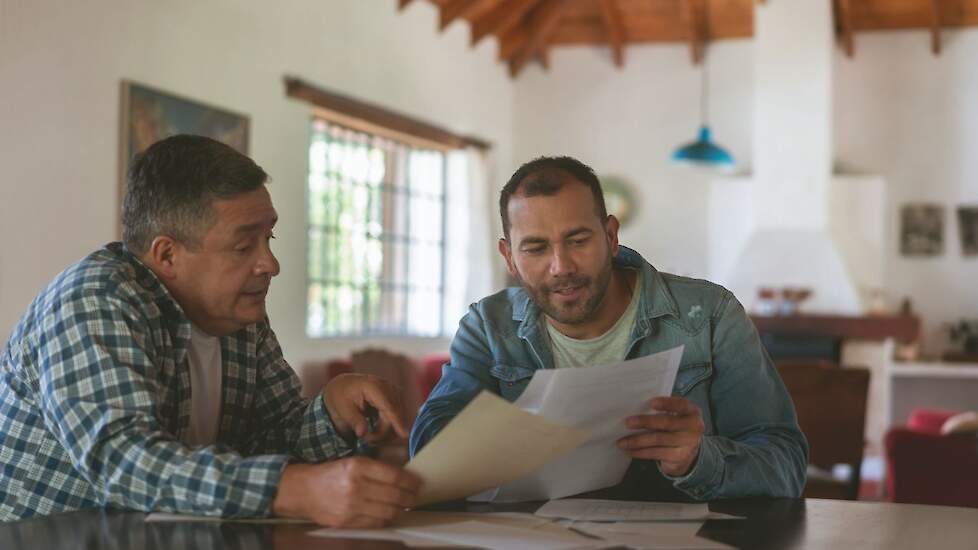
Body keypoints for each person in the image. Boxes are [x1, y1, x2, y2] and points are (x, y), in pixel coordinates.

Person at [0, 135, 420, 525]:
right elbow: (125, 463)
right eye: (244, 246)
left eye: (268, 237)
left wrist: (331, 412)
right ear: (167, 255)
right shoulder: (93, 300)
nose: (270, 264)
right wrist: (291, 490)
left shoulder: (235, 316)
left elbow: (269, 441)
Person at [410, 156, 808, 501]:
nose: (561, 266)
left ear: (611, 236)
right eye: (535, 248)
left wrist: (697, 459)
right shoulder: (487, 327)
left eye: (578, 240)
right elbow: (427, 457)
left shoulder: (709, 315)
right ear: (509, 257)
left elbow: (785, 465)